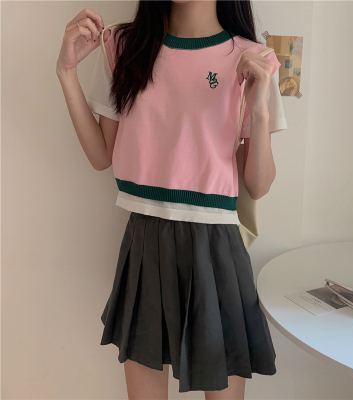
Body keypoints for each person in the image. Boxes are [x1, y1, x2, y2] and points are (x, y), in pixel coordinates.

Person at [56, 1, 287, 399]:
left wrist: (260, 112)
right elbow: (101, 156)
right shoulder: (123, 45)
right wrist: (66, 72)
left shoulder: (255, 58)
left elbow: (259, 184)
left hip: (217, 245)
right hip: (145, 239)